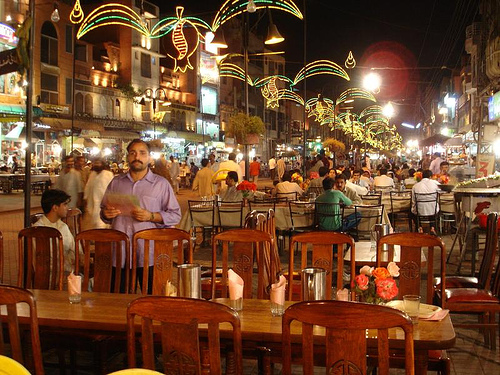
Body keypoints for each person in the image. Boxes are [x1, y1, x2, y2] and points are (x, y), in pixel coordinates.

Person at [101, 139, 181, 293]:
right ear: (128, 157)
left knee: (151, 299)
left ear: (149, 157)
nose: (137, 157)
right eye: (133, 153)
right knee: (119, 298)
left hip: (148, 253)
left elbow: (175, 215)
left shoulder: (161, 184)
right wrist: (106, 214)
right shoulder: (116, 183)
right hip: (121, 253)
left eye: (142, 153)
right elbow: (104, 212)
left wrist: (151, 216)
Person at [33, 189, 82, 274]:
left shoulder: (63, 227)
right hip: (53, 275)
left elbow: (77, 251)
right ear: (55, 207)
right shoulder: (38, 230)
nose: (67, 208)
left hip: (67, 273)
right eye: (65, 204)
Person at [83, 159, 114, 230]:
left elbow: (113, 189)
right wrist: (85, 199)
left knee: (101, 227)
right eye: (95, 163)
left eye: (98, 163)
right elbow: (87, 187)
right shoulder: (92, 174)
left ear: (102, 164)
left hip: (104, 206)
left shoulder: (108, 174)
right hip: (92, 206)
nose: (97, 165)